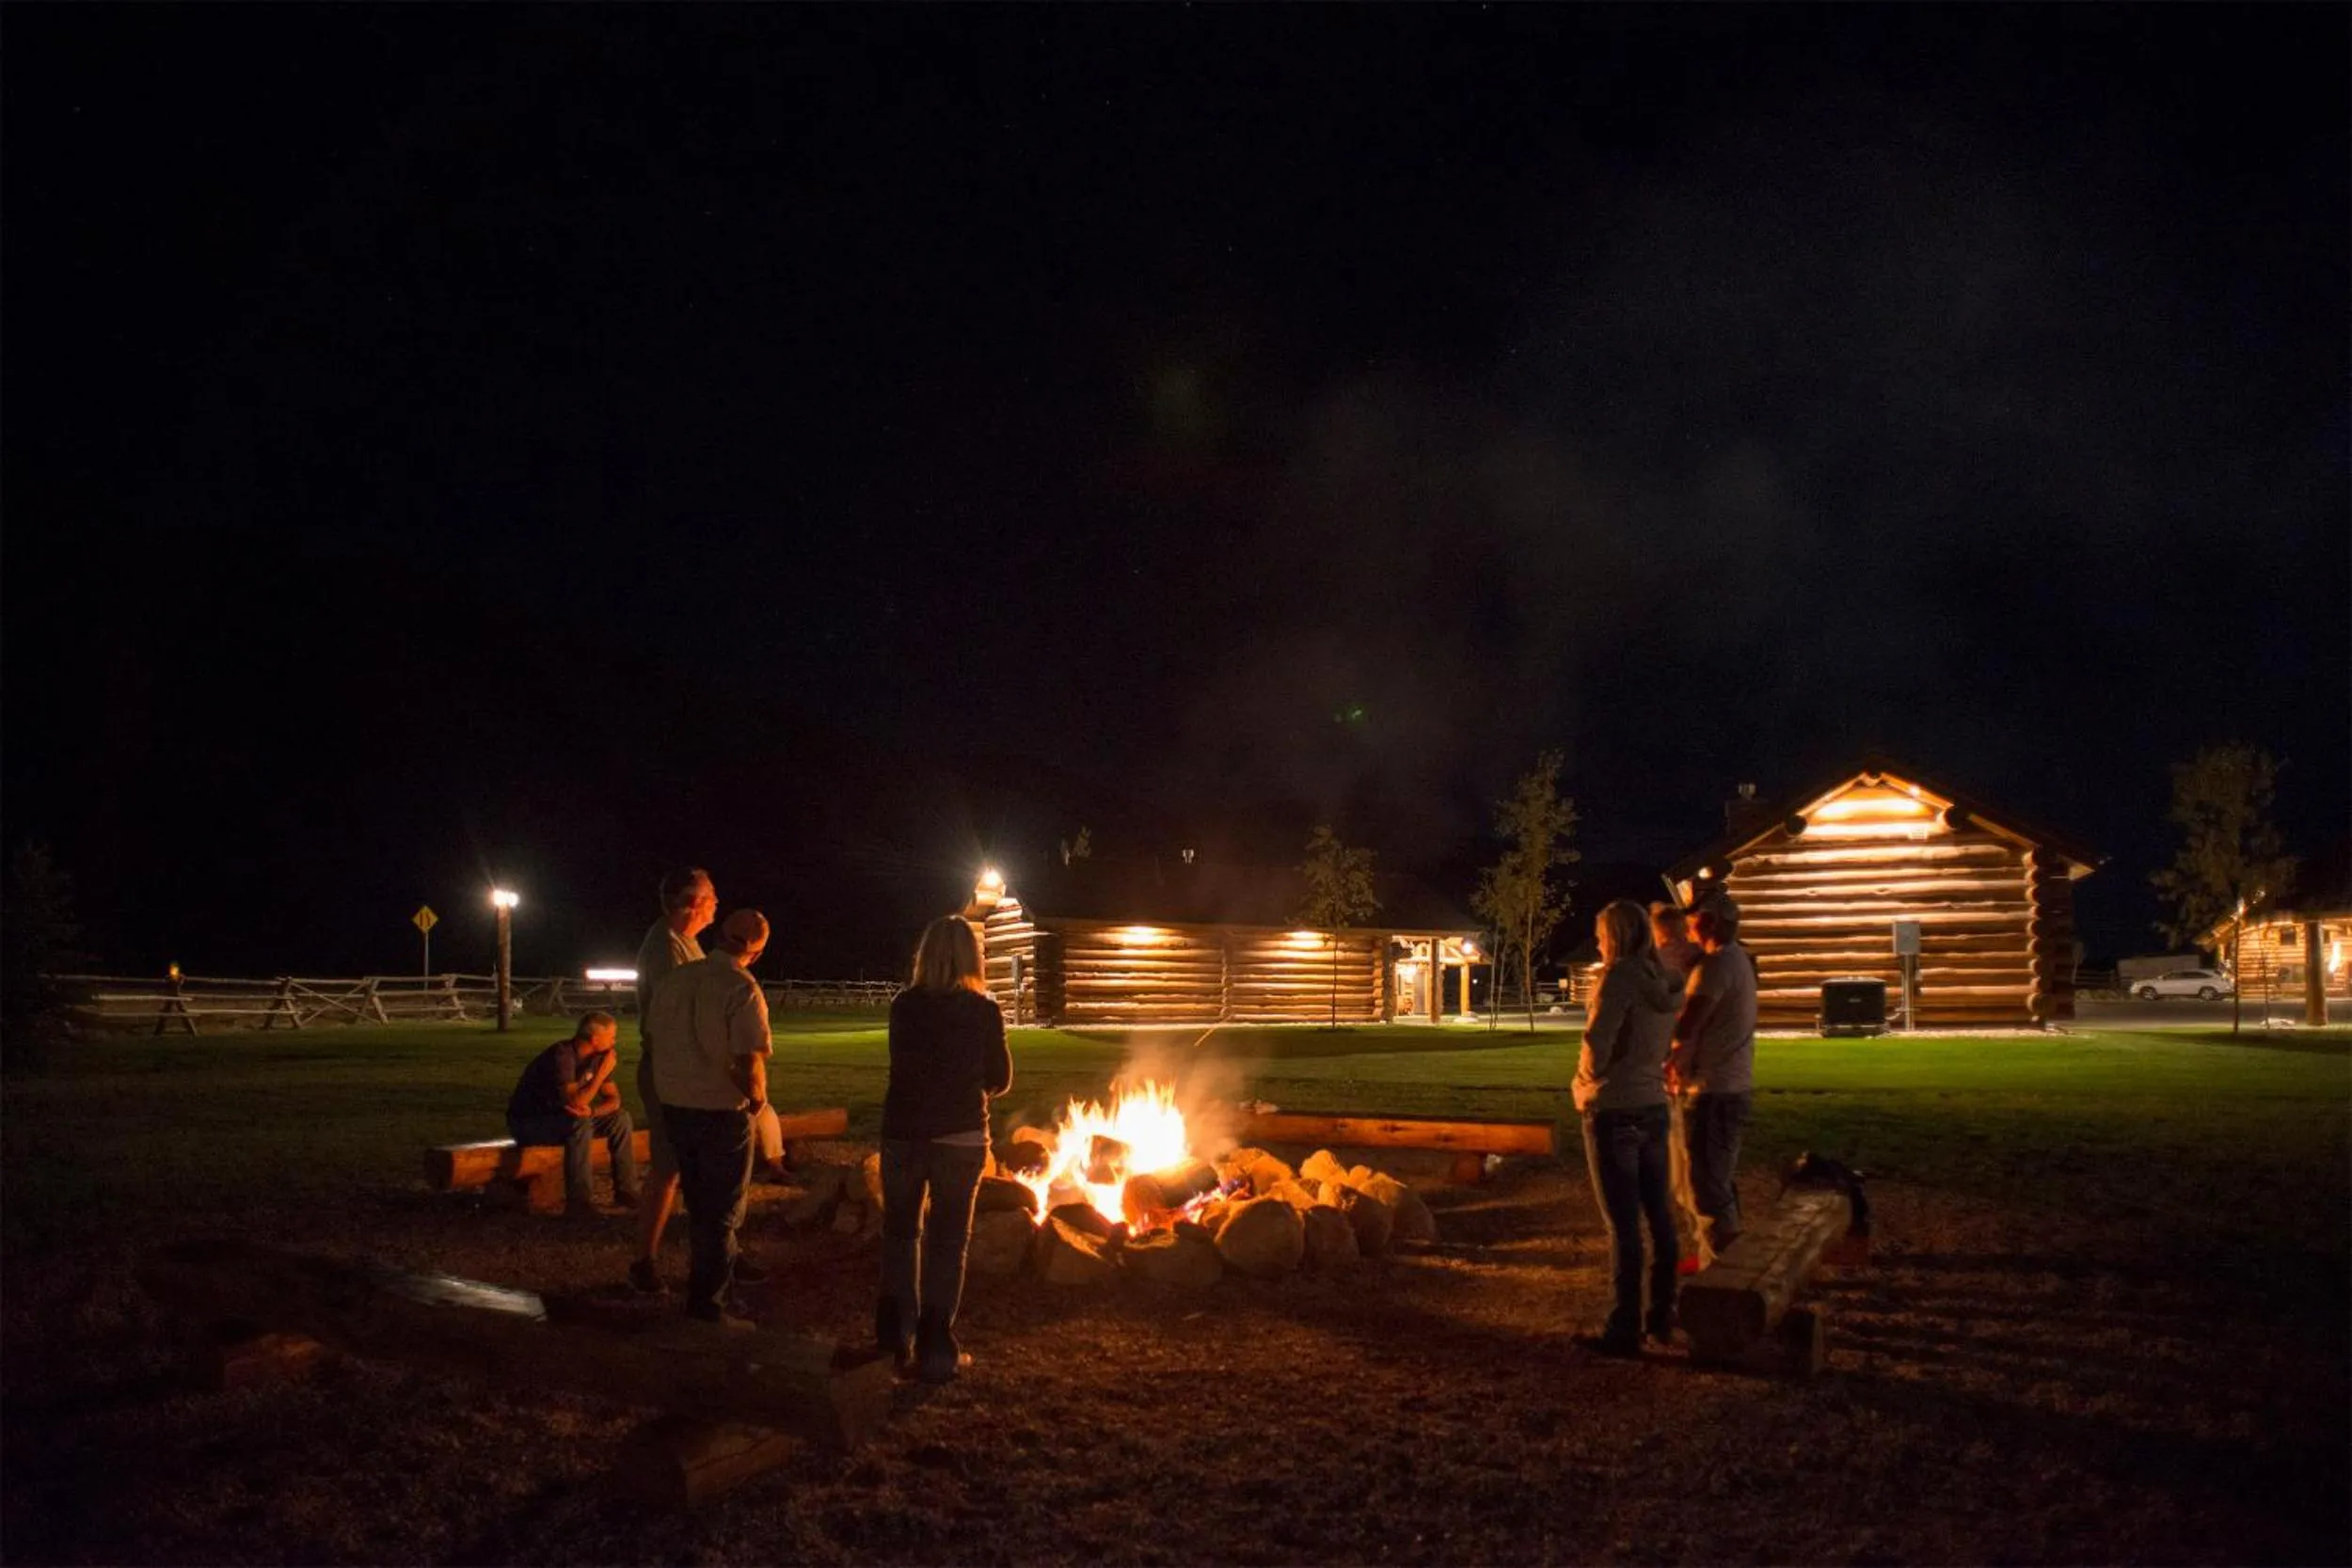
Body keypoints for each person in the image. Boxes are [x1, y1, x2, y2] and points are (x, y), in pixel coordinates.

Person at [877, 914, 1011, 1384]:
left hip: (904, 1132)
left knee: (900, 1233)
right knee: (948, 1241)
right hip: (960, 1135)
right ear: (972, 957)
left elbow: (903, 1066)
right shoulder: (983, 1010)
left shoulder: (903, 1007)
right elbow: (1001, 1078)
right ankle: (936, 1346)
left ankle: (894, 1339)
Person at [649, 908, 775, 1327]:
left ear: (722, 935)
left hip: (675, 1105)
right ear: (755, 952)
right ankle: (708, 1305)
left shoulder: (676, 980)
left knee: (699, 1201)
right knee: (722, 1209)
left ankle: (711, 1283)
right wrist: (756, 1098)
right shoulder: (741, 987)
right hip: (720, 1111)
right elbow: (747, 1059)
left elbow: (654, 1036)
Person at [1570, 898, 1681, 1355]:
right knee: (1659, 1217)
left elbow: (1598, 1043)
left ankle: (1622, 1328)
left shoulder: (1618, 980)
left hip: (1615, 1107)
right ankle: (1660, 1317)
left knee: (1623, 1225)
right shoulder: (1662, 980)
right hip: (1654, 1105)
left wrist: (1584, 1084)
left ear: (1614, 935)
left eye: (1600, 935)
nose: (1597, 942)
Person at [1670, 895, 1759, 1256]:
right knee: (1715, 1176)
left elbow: (1687, 1025)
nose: (1690, 925)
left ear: (1713, 923)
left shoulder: (1717, 966)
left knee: (1705, 1181)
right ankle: (1717, 1254)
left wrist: (1664, 1050)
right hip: (1728, 1085)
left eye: (1696, 919)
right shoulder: (1737, 961)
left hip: (1714, 1089)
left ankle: (1726, 1265)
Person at [505, 1011, 639, 1216]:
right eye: (612, 1036)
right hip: (532, 1123)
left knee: (621, 1118)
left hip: (566, 1120)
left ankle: (626, 1192)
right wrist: (601, 1075)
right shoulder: (562, 1056)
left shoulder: (598, 1057)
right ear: (595, 1039)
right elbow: (575, 1102)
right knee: (580, 1124)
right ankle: (579, 1203)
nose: (615, 1040)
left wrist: (593, 1111)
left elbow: (614, 1100)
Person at [1647, 900, 1710, 1272]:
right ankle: (1705, 1247)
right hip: (1697, 1067)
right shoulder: (1704, 959)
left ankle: (1709, 1251)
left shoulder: (1659, 964)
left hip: (1675, 1069)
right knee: (1693, 1164)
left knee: (1686, 1168)